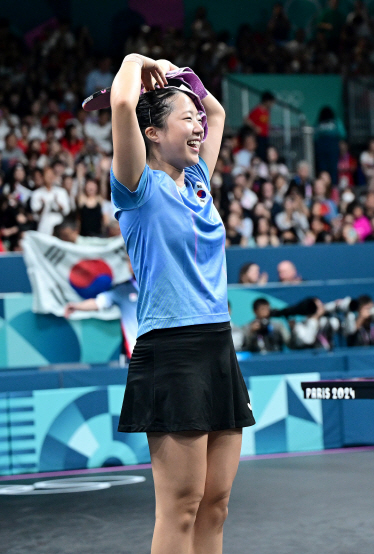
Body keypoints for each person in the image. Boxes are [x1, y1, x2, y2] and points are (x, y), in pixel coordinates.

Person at [107, 54, 254, 554]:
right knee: (181, 506)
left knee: (216, 505)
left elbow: (217, 112)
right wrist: (140, 61)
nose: (198, 126)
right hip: (171, 351)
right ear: (152, 133)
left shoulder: (195, 184)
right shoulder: (136, 188)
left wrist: (184, 78)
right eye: (184, 119)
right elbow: (124, 99)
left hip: (218, 345)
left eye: (195, 120)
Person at [64, 268, 139, 358]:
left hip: (157, 349)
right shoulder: (122, 289)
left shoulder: (157, 285)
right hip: (136, 353)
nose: (131, 264)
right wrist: (76, 306)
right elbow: (98, 303)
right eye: (128, 260)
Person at [244, 91, 275, 161]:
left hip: (265, 136)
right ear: (267, 101)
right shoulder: (257, 110)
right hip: (259, 137)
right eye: (271, 102)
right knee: (260, 155)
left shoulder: (267, 111)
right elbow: (246, 120)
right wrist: (255, 127)